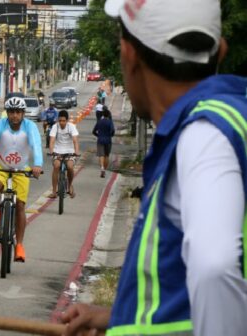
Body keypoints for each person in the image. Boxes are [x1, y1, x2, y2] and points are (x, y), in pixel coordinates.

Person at [61, 0, 247, 335]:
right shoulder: (229, 121)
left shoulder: (204, 135)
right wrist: (119, 317)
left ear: (129, 55)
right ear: (220, 52)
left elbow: (215, 267)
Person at [0, 97, 43, 262]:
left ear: (23, 113)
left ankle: (20, 245)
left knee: (21, 206)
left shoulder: (30, 127)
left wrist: (37, 164)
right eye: (11, 112)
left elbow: (36, 146)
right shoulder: (0, 125)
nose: (14, 115)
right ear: (7, 113)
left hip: (21, 169)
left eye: (18, 112)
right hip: (1, 167)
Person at [48, 110, 80, 198]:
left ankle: (69, 186)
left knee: (70, 166)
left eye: (63, 121)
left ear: (67, 120)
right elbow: (52, 141)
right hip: (57, 151)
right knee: (56, 166)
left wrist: (76, 152)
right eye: (60, 120)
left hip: (70, 151)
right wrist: (52, 151)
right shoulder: (55, 127)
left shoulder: (72, 127)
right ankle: (54, 191)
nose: (61, 123)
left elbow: (75, 141)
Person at [92, 108, 114, 178]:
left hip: (100, 140)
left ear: (103, 115)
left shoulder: (99, 122)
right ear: (108, 115)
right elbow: (112, 131)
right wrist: (110, 135)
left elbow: (94, 131)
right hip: (108, 140)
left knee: (101, 155)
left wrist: (98, 135)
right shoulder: (110, 122)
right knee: (107, 155)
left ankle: (102, 168)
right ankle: (105, 169)